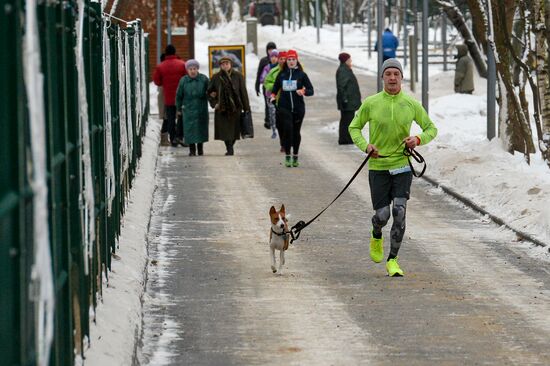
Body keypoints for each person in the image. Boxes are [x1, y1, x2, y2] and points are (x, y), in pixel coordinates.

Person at [348, 58, 437, 277]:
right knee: (383, 215)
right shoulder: (371, 103)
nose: (392, 78)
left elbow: (431, 128)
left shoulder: (410, 103)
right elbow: (354, 127)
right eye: (388, 74)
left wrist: (417, 139)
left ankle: (393, 260)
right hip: (378, 166)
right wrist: (366, 146)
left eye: (396, 74)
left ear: (402, 78)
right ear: (382, 78)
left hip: (401, 166)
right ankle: (376, 233)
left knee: (399, 212)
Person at [271, 50, 314, 167]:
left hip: (298, 108)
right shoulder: (282, 74)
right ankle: (287, 156)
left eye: (293, 59)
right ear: (286, 61)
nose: (291, 62)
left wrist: (303, 91)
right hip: (284, 107)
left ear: (296, 60)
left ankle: (295, 155)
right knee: (288, 130)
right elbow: (275, 88)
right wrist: (273, 96)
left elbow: (311, 90)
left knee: (296, 132)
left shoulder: (301, 75)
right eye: (289, 59)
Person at [207, 56, 250, 156]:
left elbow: (243, 92)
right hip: (222, 108)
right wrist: (214, 104)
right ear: (220, 66)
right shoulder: (216, 77)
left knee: (235, 130)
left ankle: (231, 145)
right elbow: (209, 92)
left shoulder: (238, 76)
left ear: (231, 64)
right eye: (223, 64)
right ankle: (229, 148)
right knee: (225, 130)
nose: (225, 66)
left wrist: (246, 107)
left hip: (236, 107)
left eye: (227, 64)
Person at [153, 44, 187, 147]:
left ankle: (173, 140)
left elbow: (157, 81)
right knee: (182, 117)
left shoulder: (161, 66)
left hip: (168, 97)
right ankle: (181, 137)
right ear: (175, 52)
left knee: (170, 118)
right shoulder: (182, 64)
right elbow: (187, 78)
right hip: (181, 97)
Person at [175, 59, 209, 156]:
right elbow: (179, 96)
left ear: (197, 69)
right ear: (187, 70)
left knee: (200, 128)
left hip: (201, 108)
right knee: (189, 129)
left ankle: (200, 148)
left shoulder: (203, 79)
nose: (193, 71)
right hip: (188, 109)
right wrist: (178, 109)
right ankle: (192, 150)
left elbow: (210, 90)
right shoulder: (183, 81)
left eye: (194, 69)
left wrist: (212, 96)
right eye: (190, 69)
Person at [335, 52, 361, 145]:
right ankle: (345, 139)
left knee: (347, 120)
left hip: (349, 100)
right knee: (347, 121)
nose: (351, 61)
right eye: (349, 60)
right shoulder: (343, 70)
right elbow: (341, 86)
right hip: (347, 101)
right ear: (345, 60)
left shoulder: (346, 69)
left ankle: (345, 138)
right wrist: (345, 99)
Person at [264, 50, 287, 152]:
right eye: (281, 59)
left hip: (290, 101)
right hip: (277, 101)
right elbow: (266, 83)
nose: (282, 61)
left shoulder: (293, 71)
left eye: (284, 59)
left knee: (289, 124)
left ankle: (288, 143)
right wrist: (275, 87)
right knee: (280, 123)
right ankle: (283, 143)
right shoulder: (273, 71)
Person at [255, 41, 277, 129]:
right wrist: (257, 86)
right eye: (269, 49)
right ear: (267, 50)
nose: (271, 51)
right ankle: (268, 120)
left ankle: (276, 120)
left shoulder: (279, 60)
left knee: (276, 104)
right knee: (268, 103)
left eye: (272, 49)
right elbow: (259, 73)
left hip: (277, 87)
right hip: (266, 87)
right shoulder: (263, 61)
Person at [260, 49, 280, 139]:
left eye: (276, 56)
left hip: (280, 95)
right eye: (272, 56)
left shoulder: (281, 68)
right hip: (269, 94)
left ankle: (280, 129)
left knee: (279, 113)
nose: (274, 58)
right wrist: (272, 84)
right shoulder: (267, 68)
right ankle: (274, 130)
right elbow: (262, 79)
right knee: (272, 113)